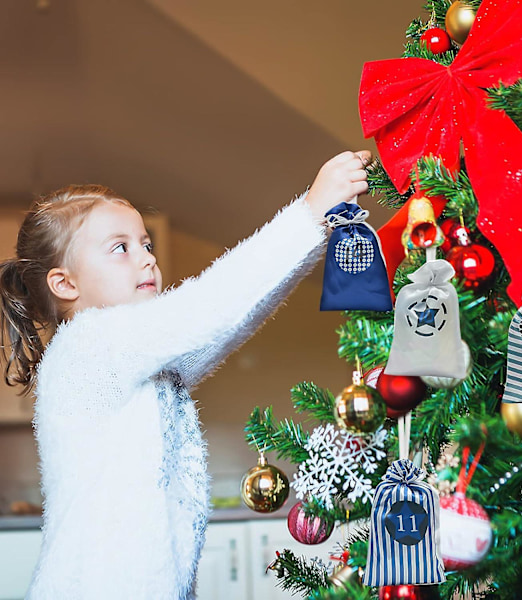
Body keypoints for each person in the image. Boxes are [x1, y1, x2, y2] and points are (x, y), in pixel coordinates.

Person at [0, 149, 372, 599]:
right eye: (120, 248)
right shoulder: (92, 343)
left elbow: (232, 318)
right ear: (65, 284)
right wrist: (310, 212)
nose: (146, 259)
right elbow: (213, 305)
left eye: (146, 244)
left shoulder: (132, 357)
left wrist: (318, 226)